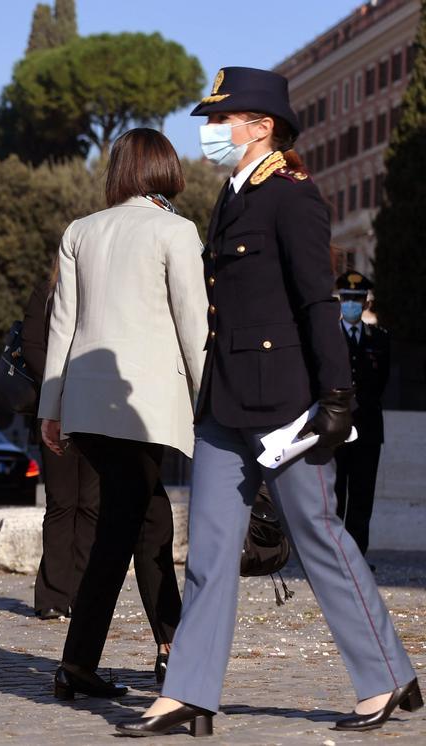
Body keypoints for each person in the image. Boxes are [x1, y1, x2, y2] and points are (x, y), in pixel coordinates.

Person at [119, 67, 419, 738]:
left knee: (319, 539)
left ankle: (385, 676)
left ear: (261, 127)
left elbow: (317, 301)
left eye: (222, 120)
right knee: (209, 552)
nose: (211, 132)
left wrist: (338, 394)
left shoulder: (293, 197)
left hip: (287, 404)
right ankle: (190, 692)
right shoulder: (232, 197)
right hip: (225, 402)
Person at [38, 128, 207, 701]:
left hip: (84, 402)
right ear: (166, 169)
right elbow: (193, 324)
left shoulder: (80, 231)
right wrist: (213, 401)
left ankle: (150, 648)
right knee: (127, 524)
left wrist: (51, 406)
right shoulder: (176, 230)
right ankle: (107, 659)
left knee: (144, 516)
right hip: (146, 404)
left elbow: (62, 322)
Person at [24, 273, 181, 686]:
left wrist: (55, 405)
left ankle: (80, 662)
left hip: (101, 409)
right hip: (121, 409)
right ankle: (167, 649)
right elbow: (48, 340)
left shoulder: (91, 247)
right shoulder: (161, 236)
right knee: (133, 520)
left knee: (125, 519)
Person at [332, 271, 389, 558]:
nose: (351, 304)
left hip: (367, 430)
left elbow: (382, 383)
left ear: (365, 303)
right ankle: (333, 559)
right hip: (335, 430)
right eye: (346, 299)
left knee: (362, 497)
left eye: (356, 299)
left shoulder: (379, 339)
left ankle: (356, 558)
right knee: (334, 496)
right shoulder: (328, 338)